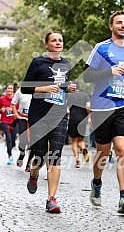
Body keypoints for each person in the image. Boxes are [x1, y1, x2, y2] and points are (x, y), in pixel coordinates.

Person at [83, 10, 124, 214]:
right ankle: (97, 183)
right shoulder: (101, 48)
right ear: (111, 26)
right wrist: (109, 71)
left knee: (123, 149)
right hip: (102, 106)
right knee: (102, 151)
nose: (123, 25)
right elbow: (87, 76)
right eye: (119, 23)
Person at [21, 31, 76, 213]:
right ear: (47, 44)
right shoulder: (38, 63)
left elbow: (64, 87)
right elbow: (25, 87)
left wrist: (71, 88)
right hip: (39, 114)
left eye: (60, 40)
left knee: (56, 154)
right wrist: (44, 88)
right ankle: (34, 174)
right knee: (40, 153)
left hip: (59, 114)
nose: (58, 42)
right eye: (54, 40)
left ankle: (51, 199)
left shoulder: (66, 64)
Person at [67, 80, 90, 168]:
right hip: (83, 120)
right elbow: (88, 106)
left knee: (74, 141)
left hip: (73, 120)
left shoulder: (69, 96)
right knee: (81, 140)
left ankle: (77, 160)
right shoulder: (85, 95)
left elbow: (67, 109)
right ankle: (84, 149)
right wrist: (88, 117)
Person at [11, 87, 34, 171]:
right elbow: (13, 103)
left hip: (34, 119)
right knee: (23, 139)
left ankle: (28, 164)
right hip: (22, 118)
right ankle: (21, 155)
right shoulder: (21, 91)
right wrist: (16, 113)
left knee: (33, 143)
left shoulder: (38, 90)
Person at [0, 83, 17, 165]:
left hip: (14, 122)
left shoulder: (16, 98)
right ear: (6, 89)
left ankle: (11, 148)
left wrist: (13, 110)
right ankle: (10, 156)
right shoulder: (2, 99)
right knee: (9, 138)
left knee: (13, 140)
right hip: (4, 121)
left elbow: (19, 109)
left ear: (13, 90)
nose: (10, 90)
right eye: (8, 88)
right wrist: (1, 110)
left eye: (11, 88)